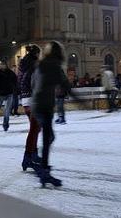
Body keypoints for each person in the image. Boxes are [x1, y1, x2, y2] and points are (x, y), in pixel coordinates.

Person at [31, 41, 71, 187]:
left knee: (49, 137)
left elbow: (33, 83)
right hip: (44, 105)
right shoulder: (54, 66)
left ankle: (43, 167)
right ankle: (44, 172)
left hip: (37, 105)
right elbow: (66, 85)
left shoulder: (41, 64)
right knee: (48, 138)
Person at [18, 44, 42, 172]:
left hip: (25, 99)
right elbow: (34, 82)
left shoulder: (22, 64)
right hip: (33, 99)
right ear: (37, 54)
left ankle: (33, 154)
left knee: (36, 128)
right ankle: (28, 158)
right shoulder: (34, 65)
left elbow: (20, 81)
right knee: (35, 129)